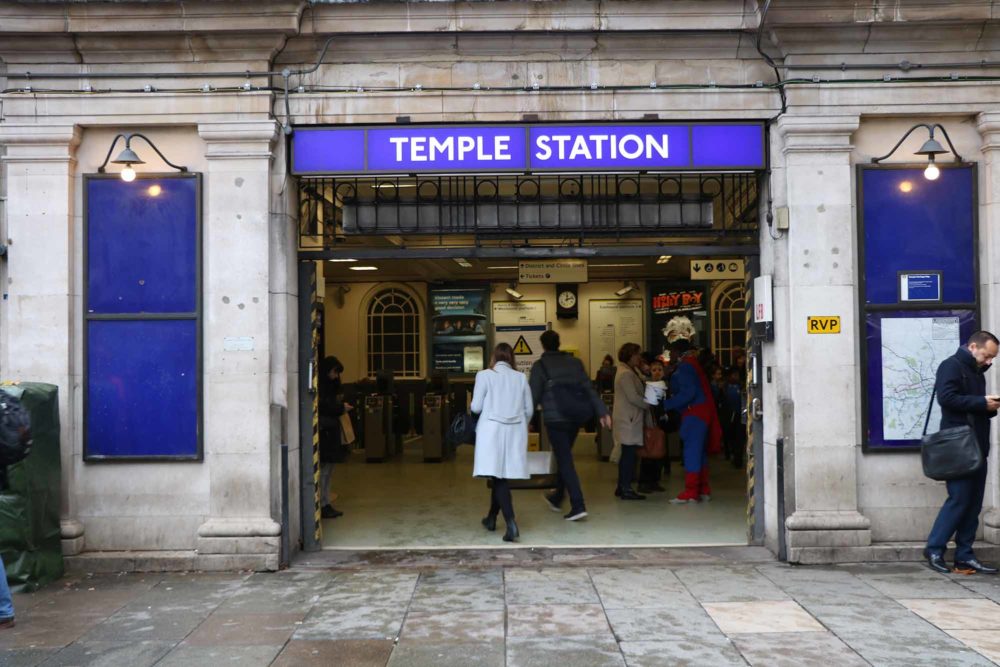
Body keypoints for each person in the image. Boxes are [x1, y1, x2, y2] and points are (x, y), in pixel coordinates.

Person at [924, 331, 1000, 575]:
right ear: (973, 347)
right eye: (987, 356)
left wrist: (989, 407)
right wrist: (981, 403)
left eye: (992, 358)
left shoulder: (977, 371)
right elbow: (947, 399)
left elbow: (972, 405)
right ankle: (935, 549)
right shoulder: (951, 366)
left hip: (977, 447)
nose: (989, 361)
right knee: (958, 499)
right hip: (958, 449)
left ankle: (964, 556)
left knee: (974, 503)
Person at [531, 330, 611, 521]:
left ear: (543, 345)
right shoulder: (575, 363)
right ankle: (558, 497)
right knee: (563, 456)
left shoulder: (540, 366)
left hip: (555, 419)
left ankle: (578, 505)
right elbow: (589, 389)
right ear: (558, 343)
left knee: (565, 459)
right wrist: (602, 411)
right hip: (575, 418)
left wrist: (527, 420)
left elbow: (533, 397)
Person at [471, 342, 534, 542]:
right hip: (514, 432)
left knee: (498, 478)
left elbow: (476, 407)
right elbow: (529, 410)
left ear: (494, 357)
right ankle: (491, 518)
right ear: (511, 358)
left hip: (491, 432)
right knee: (500, 476)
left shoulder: (484, 375)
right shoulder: (521, 378)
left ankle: (511, 523)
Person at [662, 338, 722, 504]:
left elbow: (688, 393)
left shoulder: (685, 367)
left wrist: (666, 405)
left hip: (694, 415)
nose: (670, 355)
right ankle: (703, 489)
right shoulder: (693, 364)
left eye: (672, 351)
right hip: (702, 414)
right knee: (700, 453)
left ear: (678, 352)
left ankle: (691, 492)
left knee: (692, 453)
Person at [613, 343, 650, 500]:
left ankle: (622, 486)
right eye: (637, 354)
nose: (639, 357)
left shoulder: (629, 370)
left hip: (628, 418)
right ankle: (626, 488)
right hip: (628, 419)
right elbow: (633, 397)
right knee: (628, 455)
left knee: (627, 454)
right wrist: (649, 403)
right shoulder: (626, 374)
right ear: (629, 355)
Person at [318, 356, 352, 519]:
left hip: (330, 433)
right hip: (325, 433)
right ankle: (323, 503)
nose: (336, 376)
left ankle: (325, 502)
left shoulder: (329, 387)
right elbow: (323, 406)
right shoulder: (322, 388)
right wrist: (340, 407)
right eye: (334, 372)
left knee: (328, 471)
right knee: (324, 471)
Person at [638, 358, 670, 493]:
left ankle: (655, 481)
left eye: (660, 370)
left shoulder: (666, 385)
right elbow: (650, 406)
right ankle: (644, 482)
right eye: (654, 370)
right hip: (651, 422)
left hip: (662, 422)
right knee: (649, 453)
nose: (657, 372)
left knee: (660, 452)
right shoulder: (648, 385)